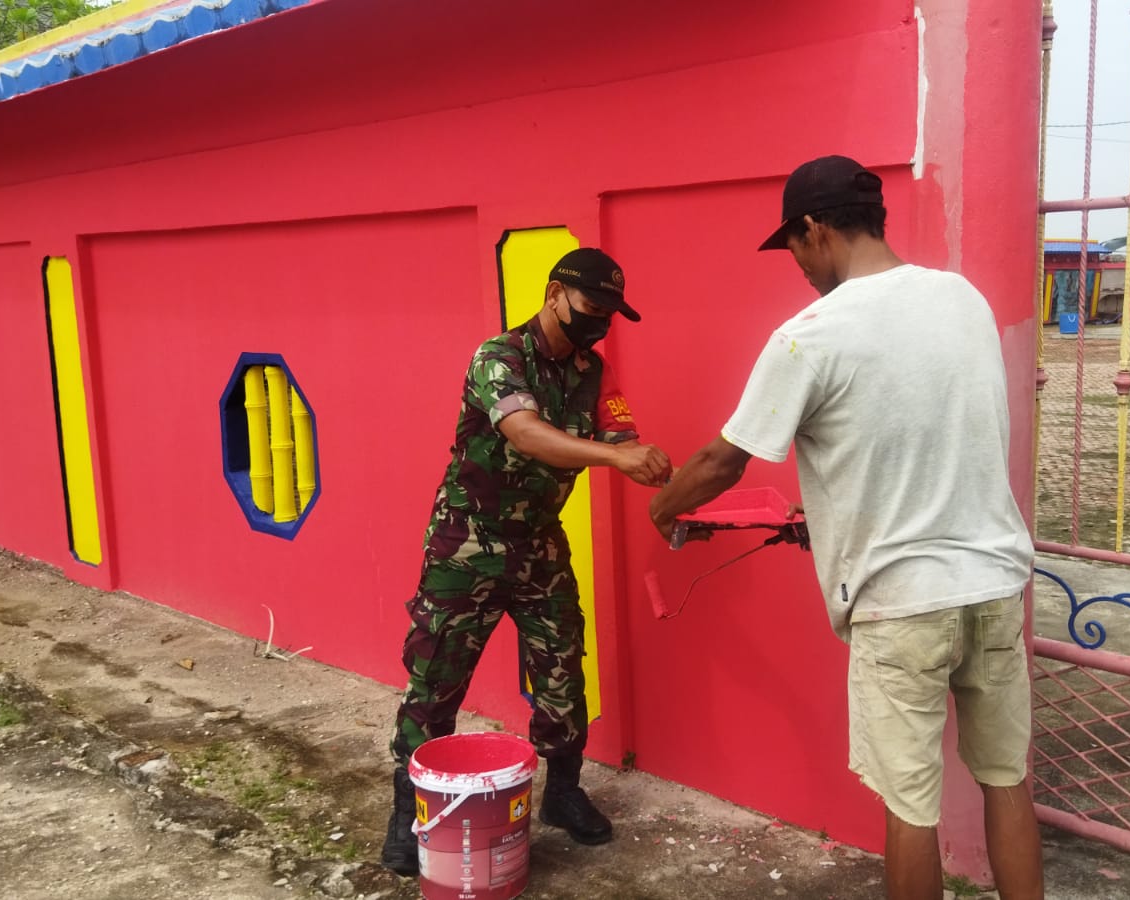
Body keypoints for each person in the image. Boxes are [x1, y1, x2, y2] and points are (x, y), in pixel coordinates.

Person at [648, 156, 1043, 900]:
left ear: (816, 229)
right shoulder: (962, 299)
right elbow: (913, 432)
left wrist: (663, 509)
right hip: (993, 586)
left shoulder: (811, 335)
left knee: (910, 810)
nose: (798, 265)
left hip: (902, 609)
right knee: (1006, 781)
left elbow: (720, 463)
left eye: (794, 247)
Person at [382, 247, 671, 876]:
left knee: (563, 669)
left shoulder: (595, 371)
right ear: (556, 294)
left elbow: (622, 440)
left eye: (610, 314)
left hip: (539, 543)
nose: (599, 323)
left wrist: (668, 483)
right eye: (592, 308)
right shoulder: (500, 358)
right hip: (468, 542)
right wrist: (614, 457)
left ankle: (563, 792)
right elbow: (526, 432)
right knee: (436, 679)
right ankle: (410, 810)